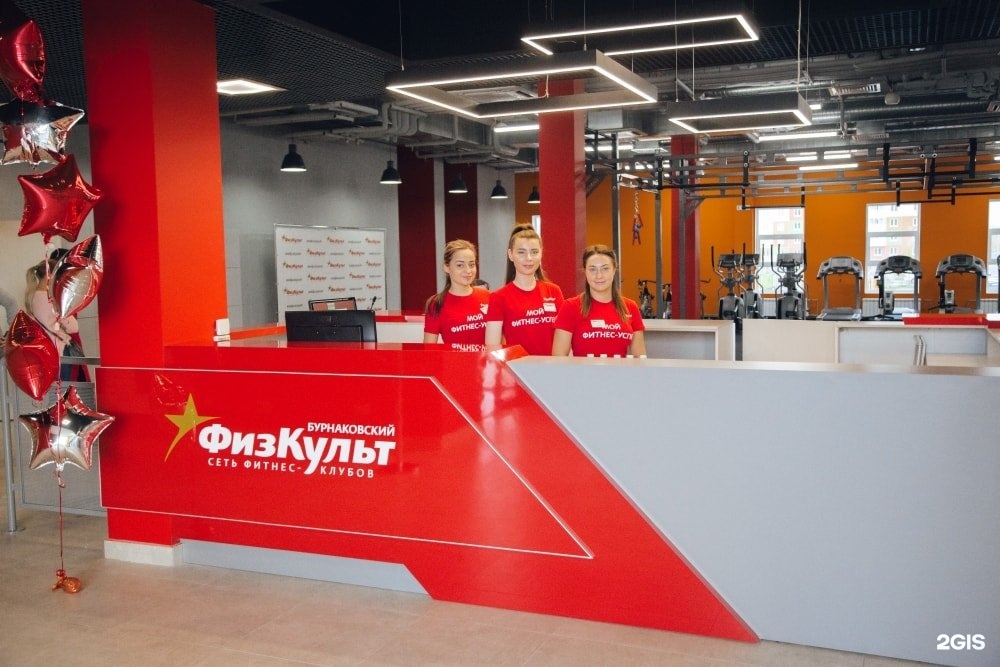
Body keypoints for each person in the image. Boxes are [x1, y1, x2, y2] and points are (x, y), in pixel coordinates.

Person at [552, 245, 646, 358]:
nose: (599, 275)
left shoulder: (630, 307)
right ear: (585, 272)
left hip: (620, 370)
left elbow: (640, 357)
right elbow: (559, 356)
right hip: (581, 370)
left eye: (605, 269)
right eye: (592, 269)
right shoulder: (570, 306)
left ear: (614, 270)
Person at [485, 225, 564, 355]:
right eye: (521, 252)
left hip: (552, 366)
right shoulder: (498, 297)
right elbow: (492, 348)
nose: (529, 258)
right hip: (516, 366)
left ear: (541, 253)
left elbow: (564, 340)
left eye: (534, 252)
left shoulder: (554, 291)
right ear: (511, 255)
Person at [423, 239, 490, 349]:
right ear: (446, 267)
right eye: (460, 265)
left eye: (472, 264)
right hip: (454, 360)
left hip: (487, 360)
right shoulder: (436, 304)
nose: (468, 270)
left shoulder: (489, 297)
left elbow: (501, 341)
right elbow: (428, 350)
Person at [25, 258, 83, 381]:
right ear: (50, 275)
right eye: (58, 275)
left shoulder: (31, 298)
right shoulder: (52, 299)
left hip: (44, 352)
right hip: (59, 350)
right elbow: (74, 327)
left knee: (52, 388)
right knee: (63, 387)